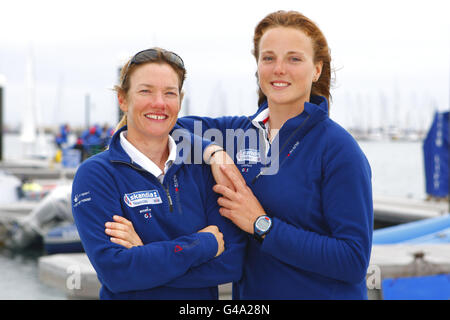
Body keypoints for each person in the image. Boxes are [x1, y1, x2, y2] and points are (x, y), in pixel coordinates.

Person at [111, 11, 373, 299]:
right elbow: (166, 123)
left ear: (317, 70)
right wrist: (213, 151)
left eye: (294, 59)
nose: (279, 69)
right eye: (269, 58)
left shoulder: (338, 149)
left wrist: (262, 226)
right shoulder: (235, 133)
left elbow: (353, 260)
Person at [71, 47, 245, 300]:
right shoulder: (96, 175)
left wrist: (146, 255)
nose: (159, 103)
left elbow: (232, 262)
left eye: (169, 93)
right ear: (122, 99)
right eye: (146, 91)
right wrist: (202, 244)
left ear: (180, 101)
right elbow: (117, 273)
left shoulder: (203, 171)